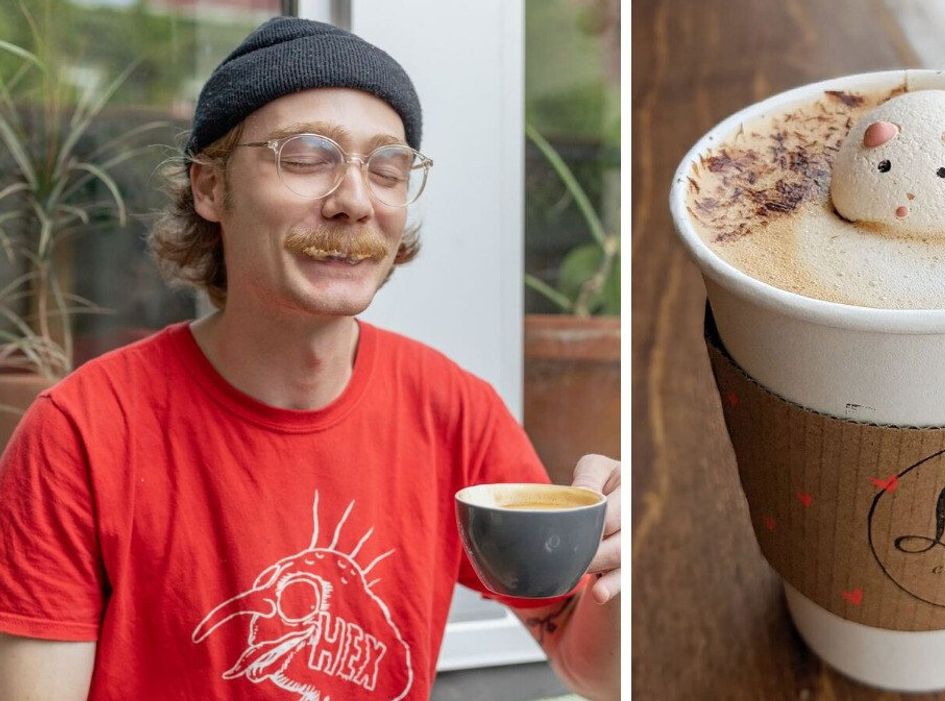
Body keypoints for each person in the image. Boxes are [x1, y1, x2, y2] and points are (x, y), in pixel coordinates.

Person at [0, 17, 621, 701]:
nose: (354, 200)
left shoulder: (452, 411)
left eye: (387, 168)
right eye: (304, 157)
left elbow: (590, 665)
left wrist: (625, 568)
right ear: (210, 188)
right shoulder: (81, 433)